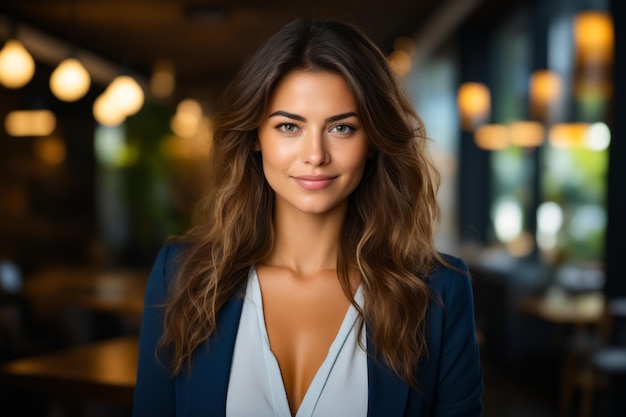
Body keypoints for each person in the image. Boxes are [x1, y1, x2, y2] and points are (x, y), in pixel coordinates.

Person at [133, 17, 483, 417]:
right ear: (254, 139)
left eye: (341, 128)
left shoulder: (439, 293)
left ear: (373, 141)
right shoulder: (181, 277)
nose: (315, 155)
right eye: (288, 126)